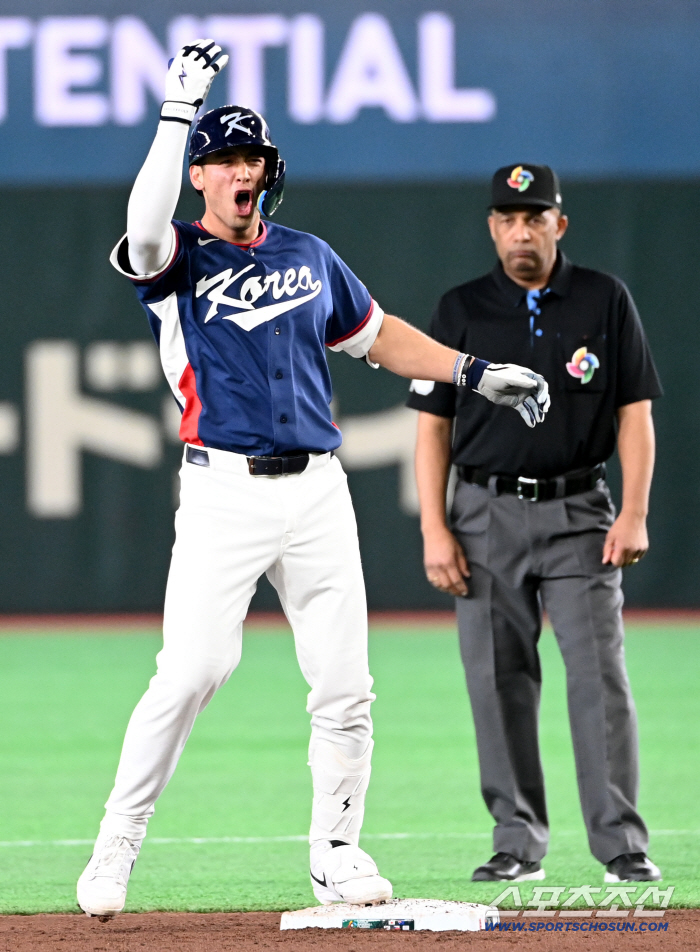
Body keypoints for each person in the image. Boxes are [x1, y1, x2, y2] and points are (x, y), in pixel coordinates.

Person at [76, 45, 549, 918]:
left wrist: (475, 373)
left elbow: (379, 337)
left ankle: (335, 851)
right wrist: (178, 111)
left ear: (268, 172)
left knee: (344, 685)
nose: (239, 171)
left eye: (250, 158)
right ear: (200, 178)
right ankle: (116, 845)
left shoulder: (309, 254)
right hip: (224, 490)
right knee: (191, 672)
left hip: (317, 491)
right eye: (222, 161)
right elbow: (142, 231)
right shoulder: (177, 257)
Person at [408, 163, 663, 884]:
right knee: (497, 680)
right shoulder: (460, 308)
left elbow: (635, 413)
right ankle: (517, 839)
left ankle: (621, 844)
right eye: (508, 219)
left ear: (560, 224)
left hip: (580, 511)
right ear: (492, 227)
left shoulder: (604, 299)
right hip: (483, 514)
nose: (522, 231)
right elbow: (431, 428)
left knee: (598, 677)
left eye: (535, 217)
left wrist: (635, 511)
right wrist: (435, 526)